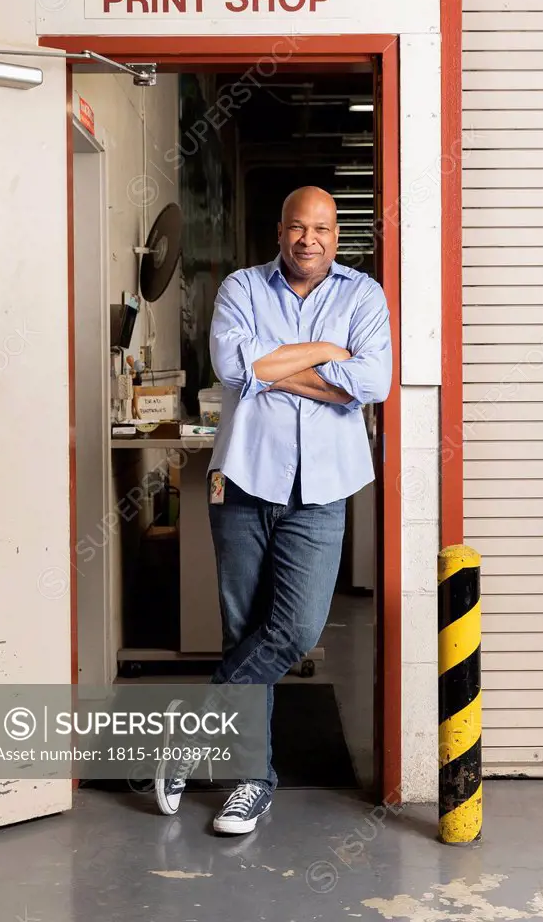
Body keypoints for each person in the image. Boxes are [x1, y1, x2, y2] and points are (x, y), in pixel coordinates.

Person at [155, 186, 392, 834]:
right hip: (242, 484)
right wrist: (327, 354)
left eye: (320, 228)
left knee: (292, 633)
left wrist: (281, 363)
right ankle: (251, 782)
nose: (307, 239)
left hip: (321, 493)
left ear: (335, 235)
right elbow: (236, 368)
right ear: (279, 231)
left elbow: (373, 382)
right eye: (296, 227)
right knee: (244, 633)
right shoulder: (241, 288)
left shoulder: (362, 296)